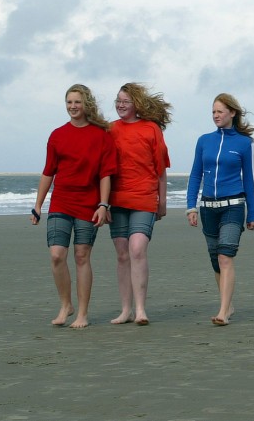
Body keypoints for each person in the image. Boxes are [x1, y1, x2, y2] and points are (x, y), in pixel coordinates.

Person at [29, 84, 116, 329]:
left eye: (77, 102)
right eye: (69, 102)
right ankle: (66, 305)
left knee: (81, 256)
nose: (73, 107)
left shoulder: (101, 135)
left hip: (89, 204)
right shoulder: (57, 135)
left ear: (86, 103)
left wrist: (103, 204)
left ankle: (83, 314)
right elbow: (48, 173)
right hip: (61, 202)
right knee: (57, 255)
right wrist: (38, 205)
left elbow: (105, 174)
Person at [186, 93, 254, 326]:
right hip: (208, 207)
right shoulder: (204, 140)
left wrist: (253, 213)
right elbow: (195, 174)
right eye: (213, 112)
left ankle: (223, 311)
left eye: (220, 111)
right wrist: (191, 207)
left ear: (232, 113)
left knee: (225, 256)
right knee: (216, 260)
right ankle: (228, 304)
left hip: (233, 206)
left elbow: (249, 179)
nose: (216, 115)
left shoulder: (244, 143)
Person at [107, 82, 172, 325]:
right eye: (118, 100)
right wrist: (103, 204)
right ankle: (125, 310)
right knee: (122, 254)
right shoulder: (110, 130)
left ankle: (141, 310)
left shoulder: (151, 128)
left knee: (137, 249)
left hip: (144, 198)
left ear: (136, 104)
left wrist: (162, 201)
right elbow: (102, 171)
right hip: (116, 200)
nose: (120, 105)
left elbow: (160, 168)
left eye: (125, 101)